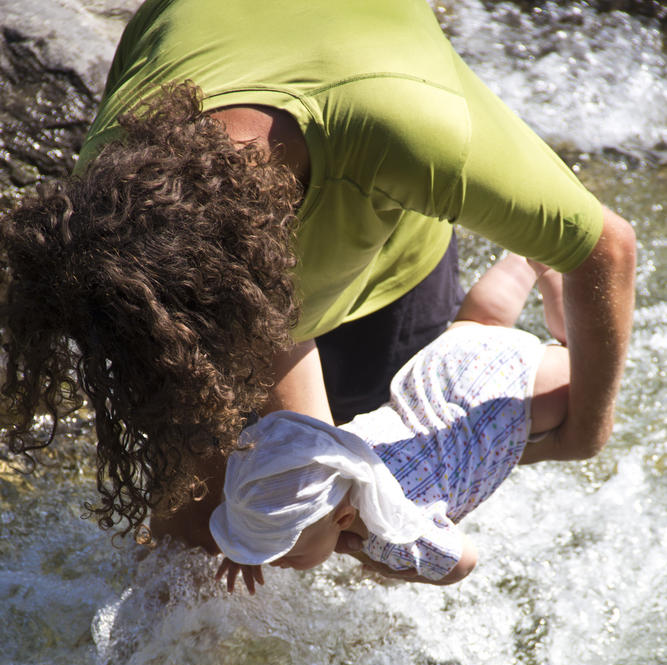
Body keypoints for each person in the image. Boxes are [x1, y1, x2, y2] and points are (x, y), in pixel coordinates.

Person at [0, 0, 635, 570]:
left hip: (389, 270)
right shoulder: (111, 197)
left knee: (316, 501)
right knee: (205, 524)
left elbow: (607, 247)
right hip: (202, 278)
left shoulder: (407, 128)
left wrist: (588, 429)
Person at [211, 254, 571, 594]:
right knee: (483, 322)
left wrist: (384, 563)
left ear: (343, 518)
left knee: (572, 359)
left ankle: (564, 300)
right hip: (448, 368)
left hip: (502, 402)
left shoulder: (393, 533)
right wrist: (245, 543)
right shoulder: (334, 452)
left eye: (284, 553)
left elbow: (463, 563)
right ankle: (530, 260)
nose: (276, 562)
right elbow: (272, 482)